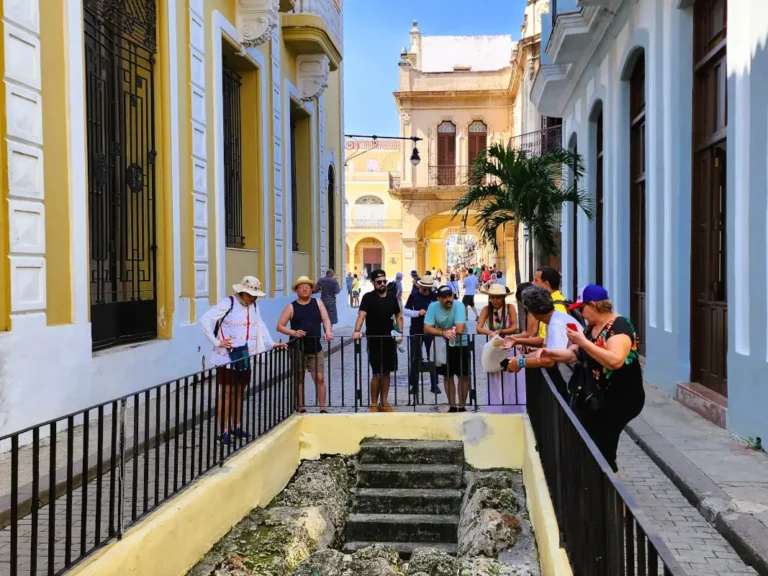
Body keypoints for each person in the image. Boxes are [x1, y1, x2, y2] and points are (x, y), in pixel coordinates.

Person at [541, 284, 645, 473]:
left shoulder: (619, 326)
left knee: (602, 448)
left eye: (582, 308)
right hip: (597, 398)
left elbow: (615, 361)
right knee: (585, 440)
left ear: (595, 305)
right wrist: (548, 353)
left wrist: (583, 343)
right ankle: (594, 484)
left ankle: (612, 496)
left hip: (621, 399)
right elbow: (574, 355)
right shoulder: (592, 328)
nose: (581, 313)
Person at [200, 276, 286, 445]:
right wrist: (217, 342)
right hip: (227, 356)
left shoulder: (254, 306)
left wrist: (271, 343)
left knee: (239, 392)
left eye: (255, 295)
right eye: (250, 294)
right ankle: (223, 431)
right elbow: (205, 320)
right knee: (226, 393)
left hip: (246, 354)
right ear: (242, 291)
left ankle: (236, 426)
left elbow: (260, 325)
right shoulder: (228, 303)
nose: (253, 298)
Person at [277, 276, 334, 413]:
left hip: (315, 347)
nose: (304, 289)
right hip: (298, 348)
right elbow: (280, 326)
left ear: (311, 290)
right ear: (297, 290)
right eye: (301, 287)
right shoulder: (291, 306)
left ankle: (322, 408)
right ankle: (301, 407)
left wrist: (328, 331)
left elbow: (326, 319)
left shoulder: (318, 303)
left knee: (319, 378)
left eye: (307, 287)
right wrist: (294, 332)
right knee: (300, 378)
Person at [504, 285, 573, 392]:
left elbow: (549, 360)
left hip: (576, 380)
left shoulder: (556, 324)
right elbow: (544, 352)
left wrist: (521, 362)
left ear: (532, 311)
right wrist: (520, 357)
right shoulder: (551, 321)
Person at [352, 270, 403, 412]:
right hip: (374, 340)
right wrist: (357, 330)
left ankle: (384, 402)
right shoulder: (368, 298)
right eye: (379, 282)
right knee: (376, 373)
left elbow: (399, 316)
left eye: (384, 281)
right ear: (373, 283)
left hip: (389, 340)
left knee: (387, 373)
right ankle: (374, 403)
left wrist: (400, 333)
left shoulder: (392, 298)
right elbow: (362, 315)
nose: (382, 284)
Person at [424, 285, 471, 412]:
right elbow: (427, 328)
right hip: (443, 345)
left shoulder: (459, 305)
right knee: (447, 376)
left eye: (449, 296)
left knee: (463, 376)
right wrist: (444, 332)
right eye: (444, 297)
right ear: (438, 298)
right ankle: (452, 405)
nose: (447, 299)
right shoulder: (433, 306)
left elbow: (460, 329)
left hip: (461, 344)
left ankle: (462, 406)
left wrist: (438, 330)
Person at [477, 284, 522, 411]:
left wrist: (501, 331)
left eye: (499, 297)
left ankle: (512, 406)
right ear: (490, 297)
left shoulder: (510, 308)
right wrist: (491, 333)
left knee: (510, 376)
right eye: (493, 297)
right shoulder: (486, 309)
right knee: (494, 375)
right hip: (494, 347)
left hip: (509, 345)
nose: (496, 300)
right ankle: (496, 406)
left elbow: (514, 327)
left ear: (503, 298)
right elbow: (479, 327)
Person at [510, 266, 568, 349]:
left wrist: (517, 341)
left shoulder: (555, 307)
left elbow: (545, 342)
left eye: (536, 280)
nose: (532, 283)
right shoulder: (553, 302)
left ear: (546, 284)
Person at [403, 275, 440, 397]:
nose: (427, 291)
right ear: (421, 286)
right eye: (425, 289)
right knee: (415, 358)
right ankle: (414, 386)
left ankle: (434, 385)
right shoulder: (414, 295)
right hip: (416, 330)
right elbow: (406, 310)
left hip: (431, 331)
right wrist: (417, 313)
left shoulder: (435, 296)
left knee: (433, 357)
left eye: (429, 289)